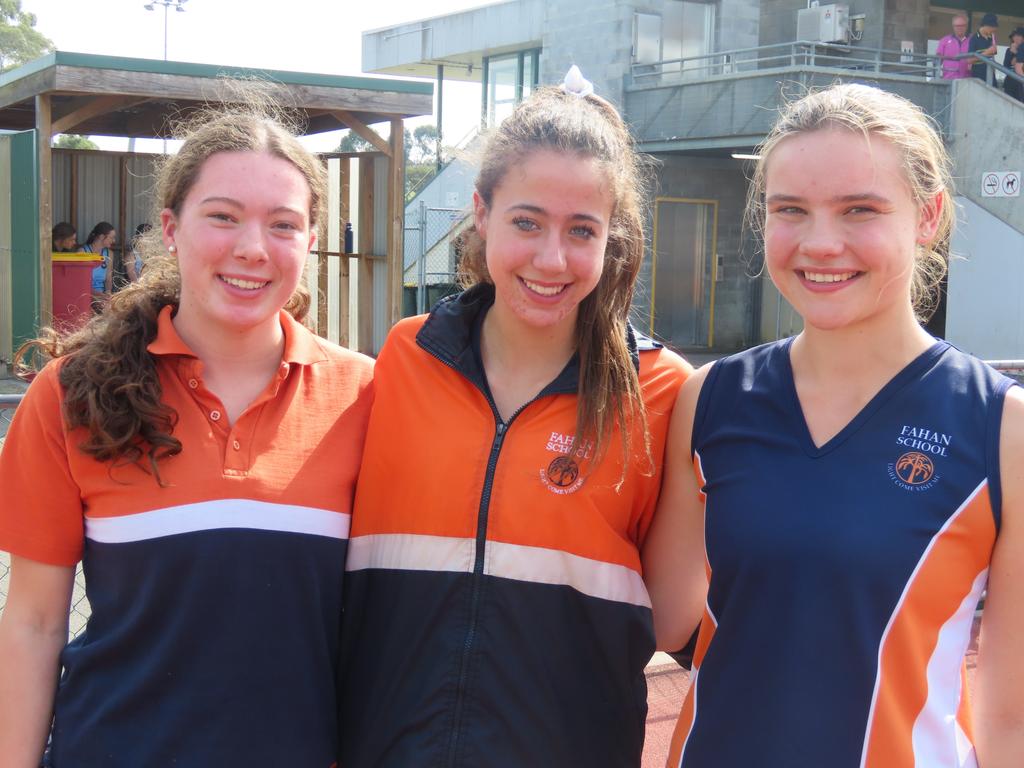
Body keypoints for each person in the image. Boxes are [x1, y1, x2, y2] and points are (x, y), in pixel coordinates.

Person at [644, 83, 1024, 768]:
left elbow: (1011, 715)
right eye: (791, 209)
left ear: (929, 215)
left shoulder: (1003, 429)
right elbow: (666, 617)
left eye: (860, 210)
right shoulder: (710, 401)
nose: (821, 243)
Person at [0, 102, 374, 766]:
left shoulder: (369, 397)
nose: (252, 248)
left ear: (310, 240)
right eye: (223, 216)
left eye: (282, 225)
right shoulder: (69, 394)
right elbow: (32, 624)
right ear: (171, 228)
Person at [337, 70, 692, 768]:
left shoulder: (661, 391)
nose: (551, 259)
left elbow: (678, 618)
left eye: (581, 230)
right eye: (526, 222)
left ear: (610, 238)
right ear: (481, 213)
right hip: (385, 749)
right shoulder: (404, 357)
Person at [80, 221, 116, 304]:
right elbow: (80, 282)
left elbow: (108, 279)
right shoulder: (82, 252)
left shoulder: (109, 254)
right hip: (85, 295)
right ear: (101, 236)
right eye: (111, 237)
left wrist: (108, 293)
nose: (114, 240)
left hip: (101, 296)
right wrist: (97, 295)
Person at [936, 14, 971, 79]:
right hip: (948, 79)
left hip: (968, 80)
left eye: (962, 25)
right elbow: (937, 61)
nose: (959, 28)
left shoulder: (973, 40)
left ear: (966, 26)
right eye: (957, 26)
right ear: (953, 26)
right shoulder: (944, 40)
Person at [969, 13, 999, 83]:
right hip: (978, 77)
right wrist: (986, 53)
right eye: (992, 29)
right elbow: (969, 60)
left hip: (991, 76)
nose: (993, 32)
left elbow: (992, 57)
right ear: (986, 25)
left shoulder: (991, 37)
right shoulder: (974, 38)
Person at [1003, 27, 1024, 102]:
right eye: (1014, 36)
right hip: (1009, 82)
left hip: (1021, 83)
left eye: (1018, 36)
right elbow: (1005, 66)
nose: (1015, 38)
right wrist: (1012, 52)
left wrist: (1016, 53)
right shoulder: (1009, 50)